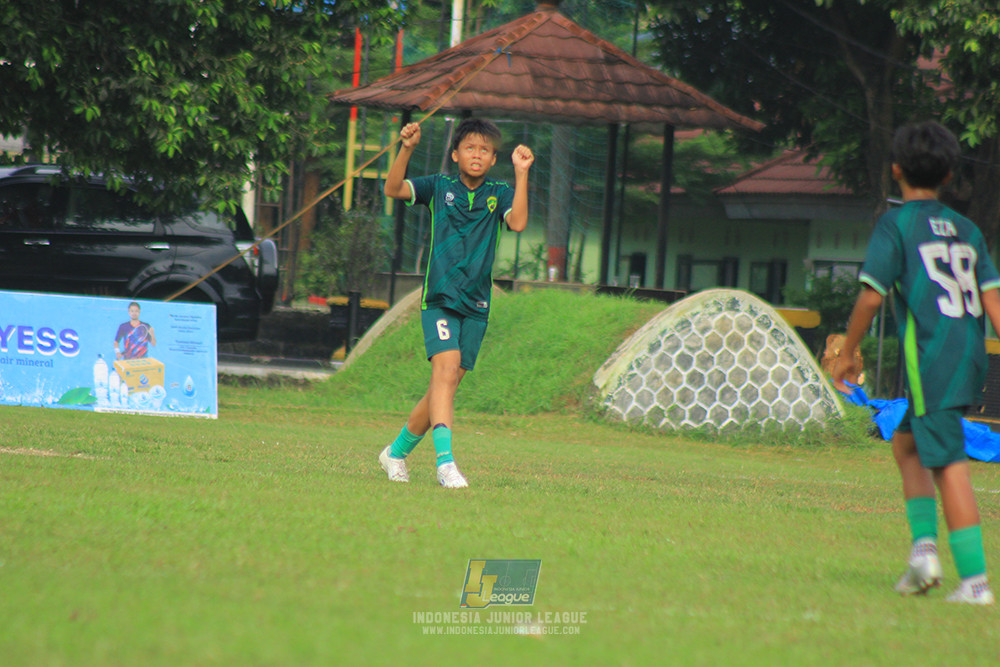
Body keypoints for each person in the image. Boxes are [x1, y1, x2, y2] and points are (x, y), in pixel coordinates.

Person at [833, 120, 1000, 605]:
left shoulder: (898, 224)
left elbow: (869, 298)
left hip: (931, 362)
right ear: (949, 176)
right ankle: (923, 554)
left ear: (896, 170)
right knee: (906, 444)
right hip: (968, 359)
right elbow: (993, 305)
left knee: (948, 463)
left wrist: (848, 352)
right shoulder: (968, 230)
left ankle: (975, 582)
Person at [378, 118, 534, 489]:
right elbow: (393, 188)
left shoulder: (500, 191)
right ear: (455, 153)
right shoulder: (438, 185)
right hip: (441, 299)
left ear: (493, 159)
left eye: (484, 149)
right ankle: (445, 464)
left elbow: (519, 223)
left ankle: (395, 453)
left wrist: (522, 173)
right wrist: (407, 148)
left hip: (477, 304)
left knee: (443, 387)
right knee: (445, 371)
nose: (476, 154)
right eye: (469, 148)